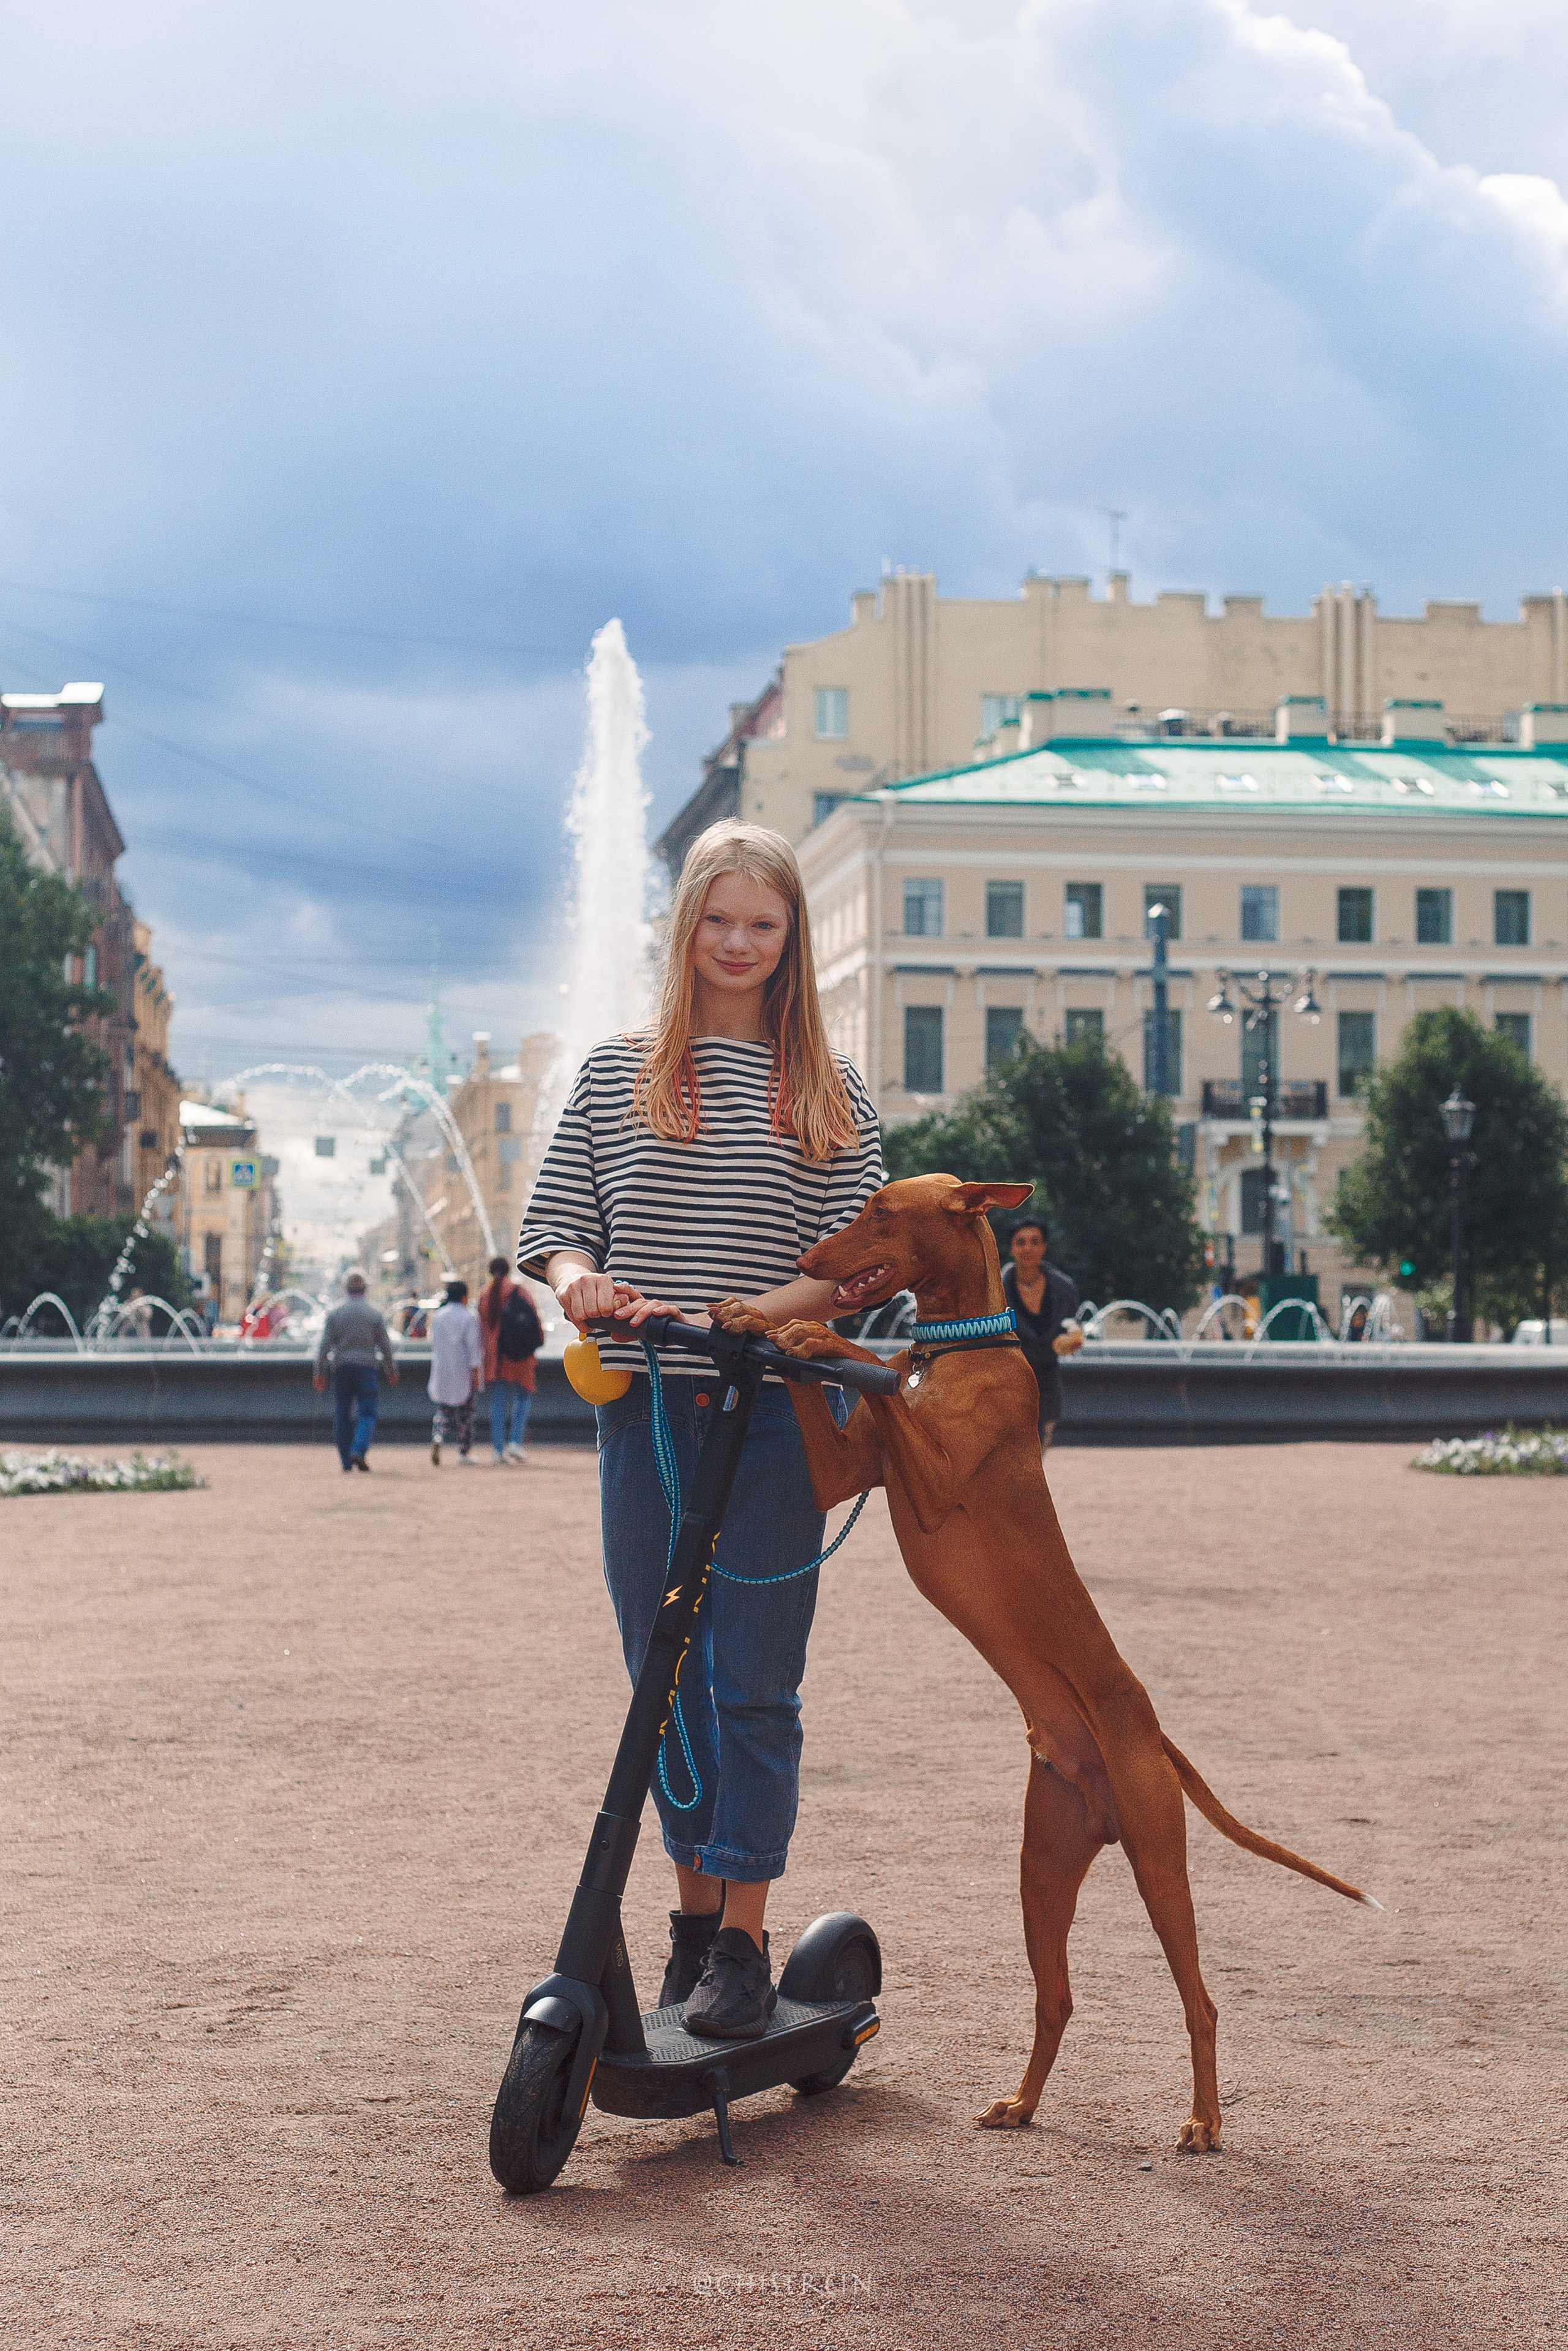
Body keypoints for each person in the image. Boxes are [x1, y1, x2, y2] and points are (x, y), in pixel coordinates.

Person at [517, 819, 882, 2042]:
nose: (737, 942)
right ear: (685, 929)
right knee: (658, 1675)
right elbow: (559, 1223)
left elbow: (852, 1266)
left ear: (788, 942)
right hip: (649, 1417)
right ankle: (688, 1925)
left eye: (761, 925)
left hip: (772, 1411)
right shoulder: (620, 1071)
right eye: (717, 920)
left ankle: (742, 1934)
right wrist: (575, 1281)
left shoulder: (825, 1095)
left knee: (754, 1683)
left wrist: (748, 1313)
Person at [999, 1217, 1081, 1452]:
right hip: (1009, 1379)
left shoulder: (1064, 1288)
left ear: (1044, 1247)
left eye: (1035, 1242)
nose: (1028, 1248)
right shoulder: (997, 1288)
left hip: (1046, 1379)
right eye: (1021, 1242)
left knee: (1037, 1449)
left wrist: (1073, 1341)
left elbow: (1071, 1327)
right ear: (1012, 1248)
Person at [313, 1270, 399, 1471]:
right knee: (367, 1412)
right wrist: (392, 1369)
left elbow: (324, 1347)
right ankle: (358, 1450)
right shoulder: (374, 1314)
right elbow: (386, 1346)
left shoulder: (335, 1314)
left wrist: (319, 1373)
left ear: (345, 1289)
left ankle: (345, 1461)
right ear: (366, 1288)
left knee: (342, 1413)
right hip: (367, 1368)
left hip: (342, 1368)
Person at [478, 1255, 543, 1463]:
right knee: (523, 1398)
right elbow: (534, 1318)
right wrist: (539, 1341)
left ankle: (498, 1451)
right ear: (508, 1270)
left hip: (497, 1356)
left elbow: (482, 1327)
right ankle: (515, 1442)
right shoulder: (519, 1290)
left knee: (498, 1403)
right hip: (521, 1356)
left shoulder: (486, 1294)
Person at [428, 1277, 484, 1463]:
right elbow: (473, 1348)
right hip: (463, 1371)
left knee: (444, 1410)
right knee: (466, 1415)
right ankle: (464, 1453)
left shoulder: (438, 1317)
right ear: (464, 1297)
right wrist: (476, 1374)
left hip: (442, 1369)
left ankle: (438, 1436)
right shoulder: (468, 1317)